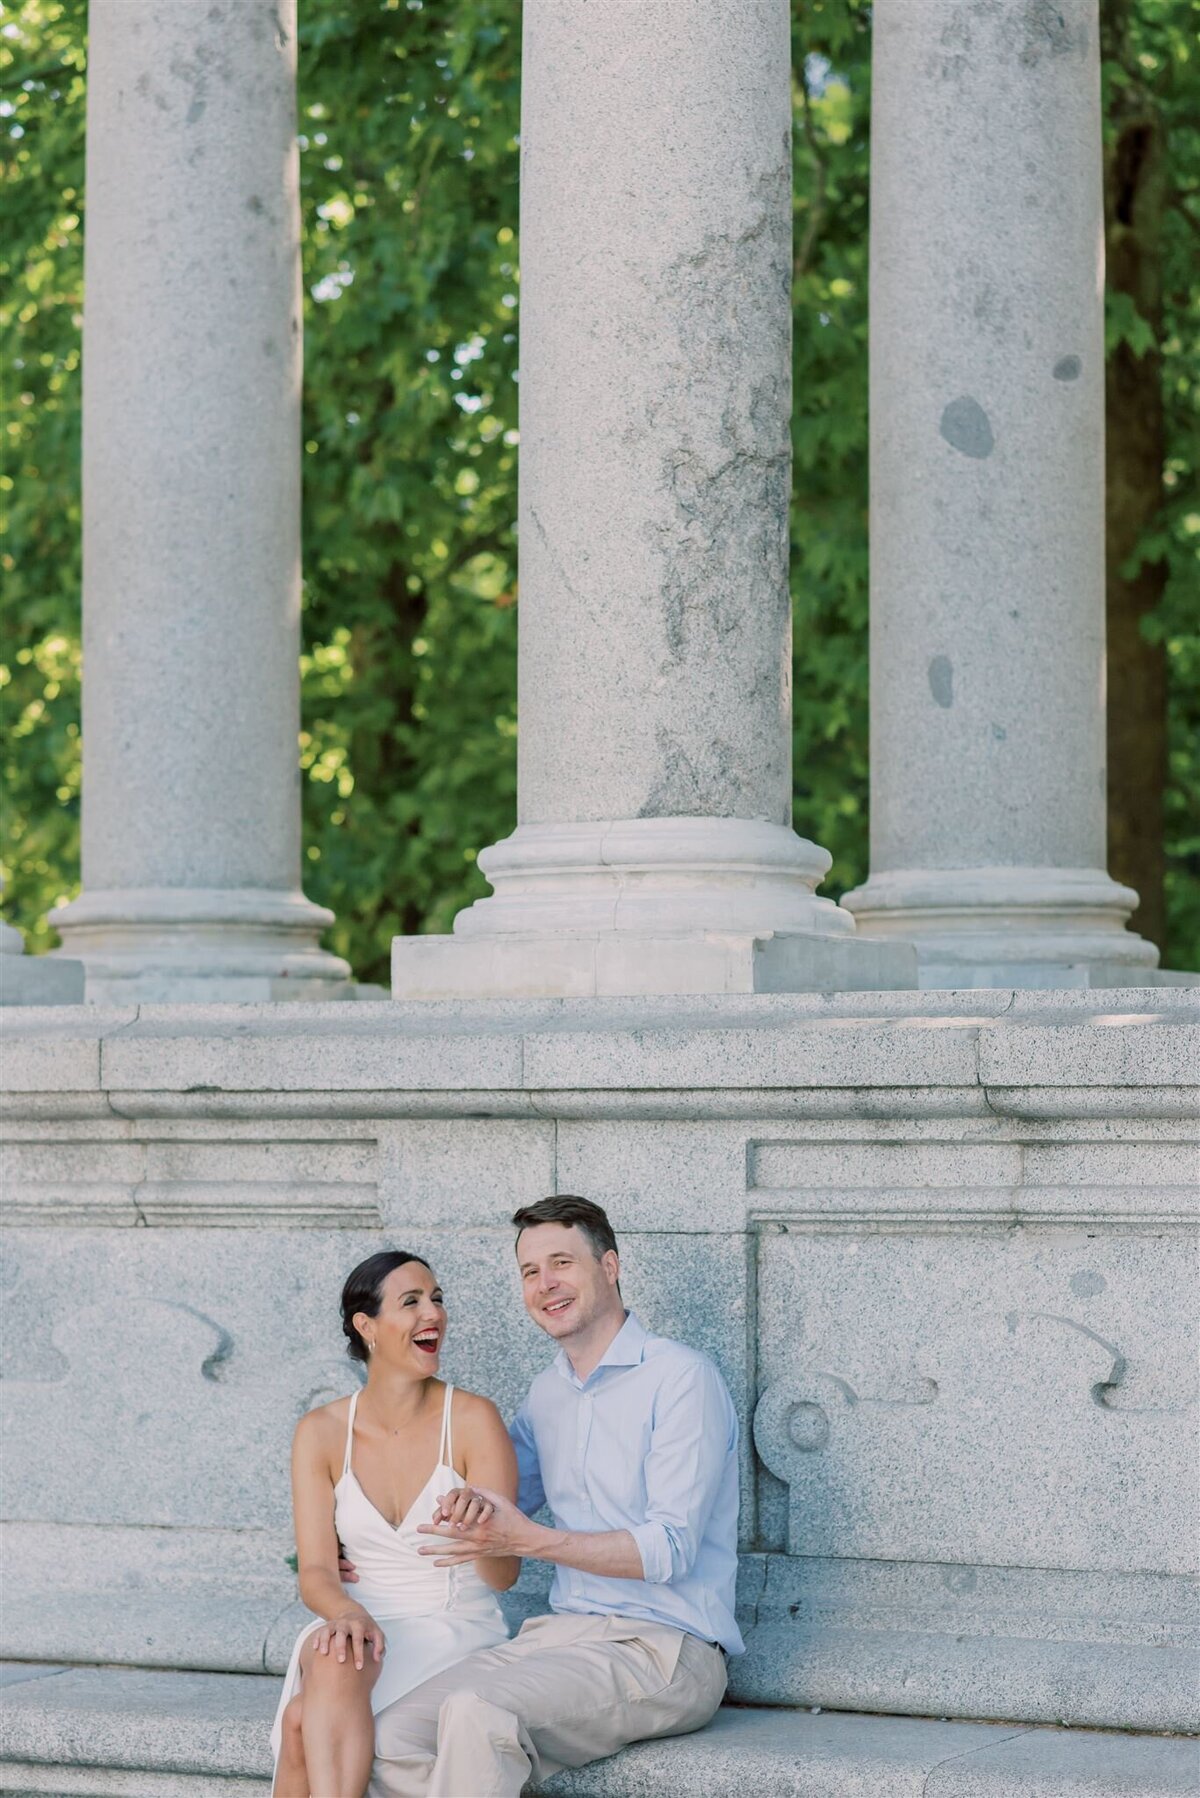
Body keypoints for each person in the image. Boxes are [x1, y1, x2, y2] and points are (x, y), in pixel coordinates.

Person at [357, 1194, 741, 1798]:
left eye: (561, 1263)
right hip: (559, 1637)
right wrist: (355, 1537)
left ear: (609, 1266)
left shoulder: (681, 1378)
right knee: (387, 1737)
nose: (544, 1284)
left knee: (478, 1713)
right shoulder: (548, 1394)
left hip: (665, 1647)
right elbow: (481, 1502)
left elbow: (669, 1551)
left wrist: (527, 1540)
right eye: (530, 1271)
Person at [270, 1250, 518, 1798]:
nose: (433, 1313)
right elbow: (315, 1571)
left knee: (298, 1725)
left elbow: (503, 1578)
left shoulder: (475, 1419)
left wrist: (486, 1532)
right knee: (341, 1648)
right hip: (358, 1617)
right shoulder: (320, 1431)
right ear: (368, 1327)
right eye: (411, 1302)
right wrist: (347, 1611)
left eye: (437, 1299)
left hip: (451, 1627)